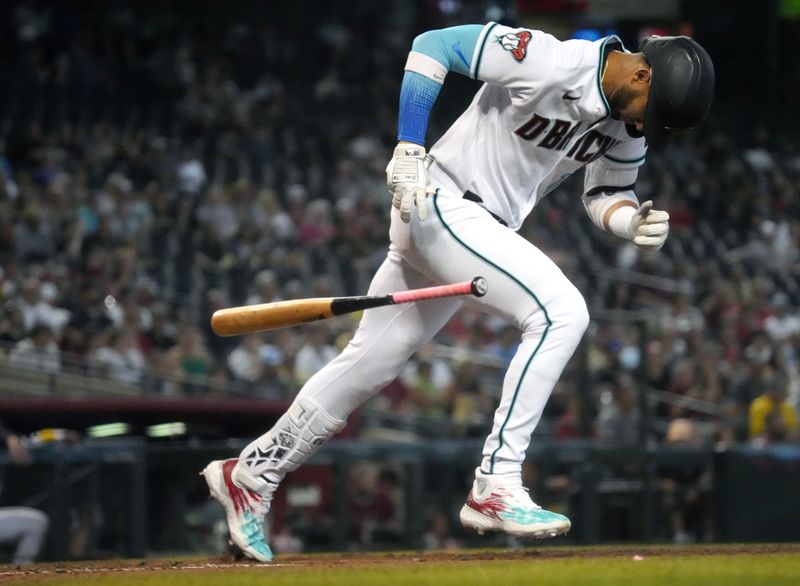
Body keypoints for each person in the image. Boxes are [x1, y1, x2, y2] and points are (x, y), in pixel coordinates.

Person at [202, 22, 714, 561]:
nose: (643, 125)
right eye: (648, 111)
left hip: (471, 229)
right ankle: (497, 481)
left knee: (369, 364)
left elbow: (607, 191)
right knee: (561, 311)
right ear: (639, 72)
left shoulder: (625, 125)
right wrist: (407, 145)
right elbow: (434, 46)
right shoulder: (549, 60)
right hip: (441, 202)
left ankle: (252, 473)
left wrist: (629, 221)